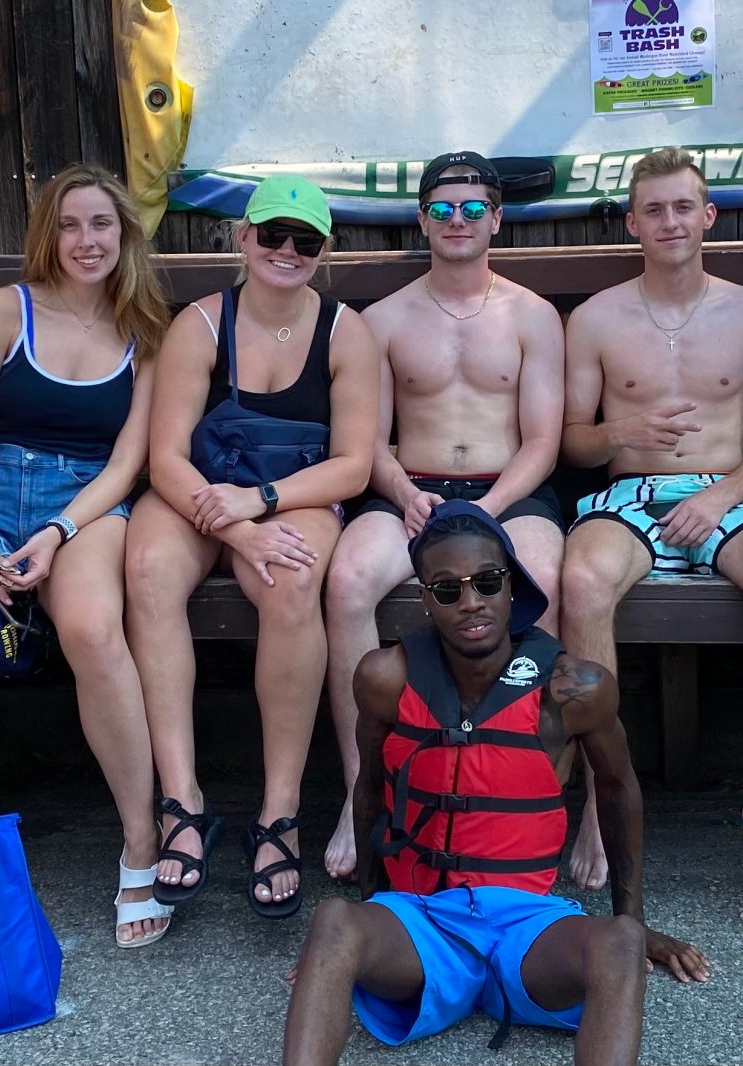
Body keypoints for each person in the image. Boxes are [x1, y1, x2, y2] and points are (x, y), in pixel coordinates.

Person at [283, 501, 709, 1066]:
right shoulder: (384, 678)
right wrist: (354, 942)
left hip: (529, 926)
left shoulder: (573, 688)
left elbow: (617, 790)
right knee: (333, 921)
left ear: (512, 584)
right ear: (425, 601)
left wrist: (634, 918)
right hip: (423, 919)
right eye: (447, 590)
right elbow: (369, 792)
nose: (472, 602)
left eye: (487, 582)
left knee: (620, 943)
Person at [124, 174, 379, 918]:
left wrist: (263, 505)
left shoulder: (344, 330)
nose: (286, 251)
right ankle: (183, 801)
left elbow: (354, 464)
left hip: (291, 491)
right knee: (147, 568)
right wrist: (234, 525)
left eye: (305, 241)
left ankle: (279, 811)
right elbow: (165, 456)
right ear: (242, 238)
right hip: (202, 491)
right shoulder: (201, 323)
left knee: (293, 580)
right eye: (272, 234)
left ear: (323, 253)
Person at [0, 163, 172, 947]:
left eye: (101, 225)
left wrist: (57, 532)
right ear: (49, 233)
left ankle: (141, 845)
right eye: (70, 225)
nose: (86, 240)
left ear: (123, 235)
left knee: (92, 632)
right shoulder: (7, 311)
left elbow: (126, 464)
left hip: (87, 506)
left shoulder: (145, 331)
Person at [322, 150, 565, 880]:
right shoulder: (386, 318)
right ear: (421, 219)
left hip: (508, 487)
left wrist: (485, 512)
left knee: (544, 574)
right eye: (442, 209)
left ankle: (525, 783)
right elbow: (367, 437)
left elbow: (544, 440)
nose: (456, 221)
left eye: (471, 209)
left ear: (496, 218)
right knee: (348, 579)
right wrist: (403, 494)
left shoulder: (533, 315)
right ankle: (359, 786)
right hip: (414, 488)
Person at [559, 146, 743, 891]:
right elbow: (572, 439)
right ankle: (600, 804)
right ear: (632, 222)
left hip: (731, 493)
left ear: (709, 216)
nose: (670, 221)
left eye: (682, 207)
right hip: (631, 496)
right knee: (581, 578)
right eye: (654, 209)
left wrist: (720, 495)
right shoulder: (598, 318)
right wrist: (619, 435)